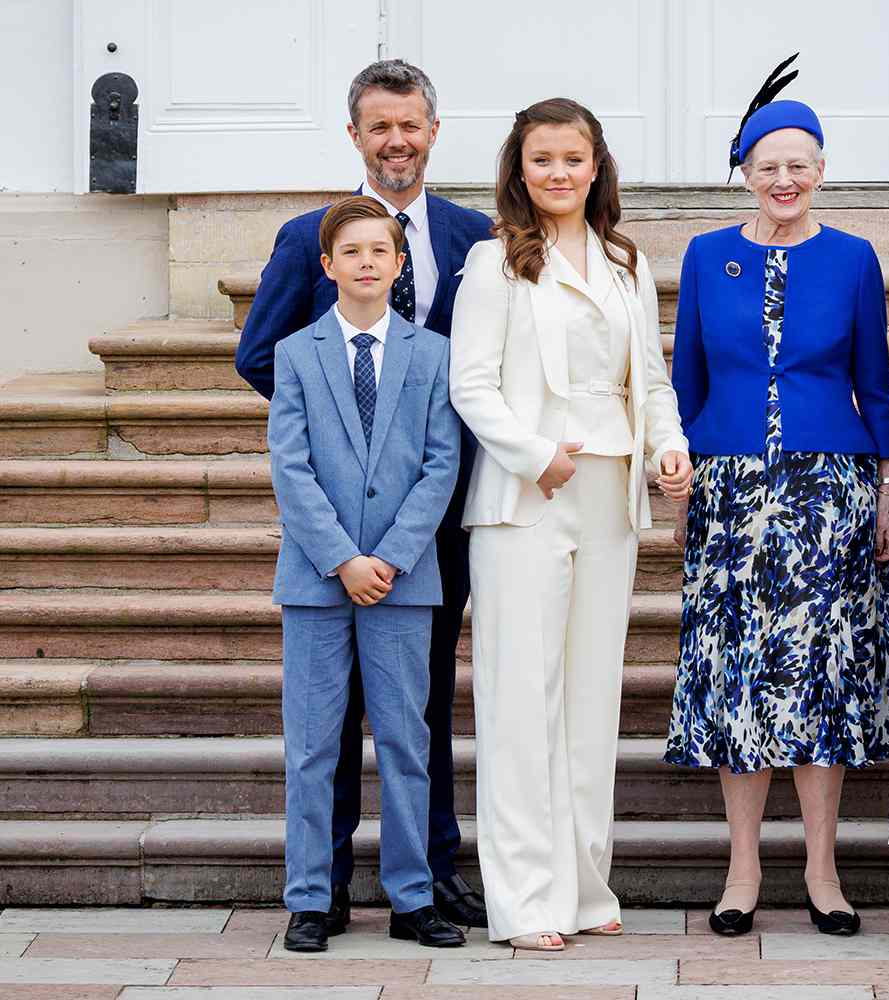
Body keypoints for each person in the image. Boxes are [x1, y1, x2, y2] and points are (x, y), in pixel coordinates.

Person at [234, 59, 492, 930]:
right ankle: (327, 882)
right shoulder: (312, 235)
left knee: (416, 715)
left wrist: (397, 521)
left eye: (410, 124)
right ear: (355, 135)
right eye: (379, 126)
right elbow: (262, 357)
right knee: (324, 727)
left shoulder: (471, 236)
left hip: (427, 531)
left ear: (432, 130)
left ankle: (429, 876)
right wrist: (342, 450)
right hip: (325, 541)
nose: (396, 141)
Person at [665, 64, 889, 938]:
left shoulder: (849, 257)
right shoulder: (703, 255)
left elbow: (873, 383)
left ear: (822, 167)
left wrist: (886, 490)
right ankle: (740, 870)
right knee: (738, 683)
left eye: (800, 163)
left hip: (827, 492)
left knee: (820, 680)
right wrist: (683, 474)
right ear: (743, 168)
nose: (784, 180)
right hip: (729, 488)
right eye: (768, 165)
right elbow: (685, 375)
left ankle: (821, 868)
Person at [449, 98, 692, 951]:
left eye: (573, 159)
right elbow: (470, 385)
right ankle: (523, 900)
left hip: (610, 493)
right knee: (522, 697)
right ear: (520, 170)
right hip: (529, 497)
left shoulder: (625, 262)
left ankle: (587, 885)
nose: (558, 173)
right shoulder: (494, 262)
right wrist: (534, 452)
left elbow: (652, 381)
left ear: (597, 167)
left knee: (591, 697)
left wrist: (668, 447)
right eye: (541, 159)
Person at [269, 195, 464, 952]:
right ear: (328, 267)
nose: (367, 263)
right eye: (351, 253)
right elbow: (291, 466)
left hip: (403, 579)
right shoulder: (296, 354)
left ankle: (413, 896)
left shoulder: (430, 354)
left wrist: (389, 556)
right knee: (315, 745)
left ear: (400, 262)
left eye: (380, 251)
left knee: (407, 742)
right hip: (318, 581)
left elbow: (441, 462)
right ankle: (313, 896)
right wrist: (343, 558)